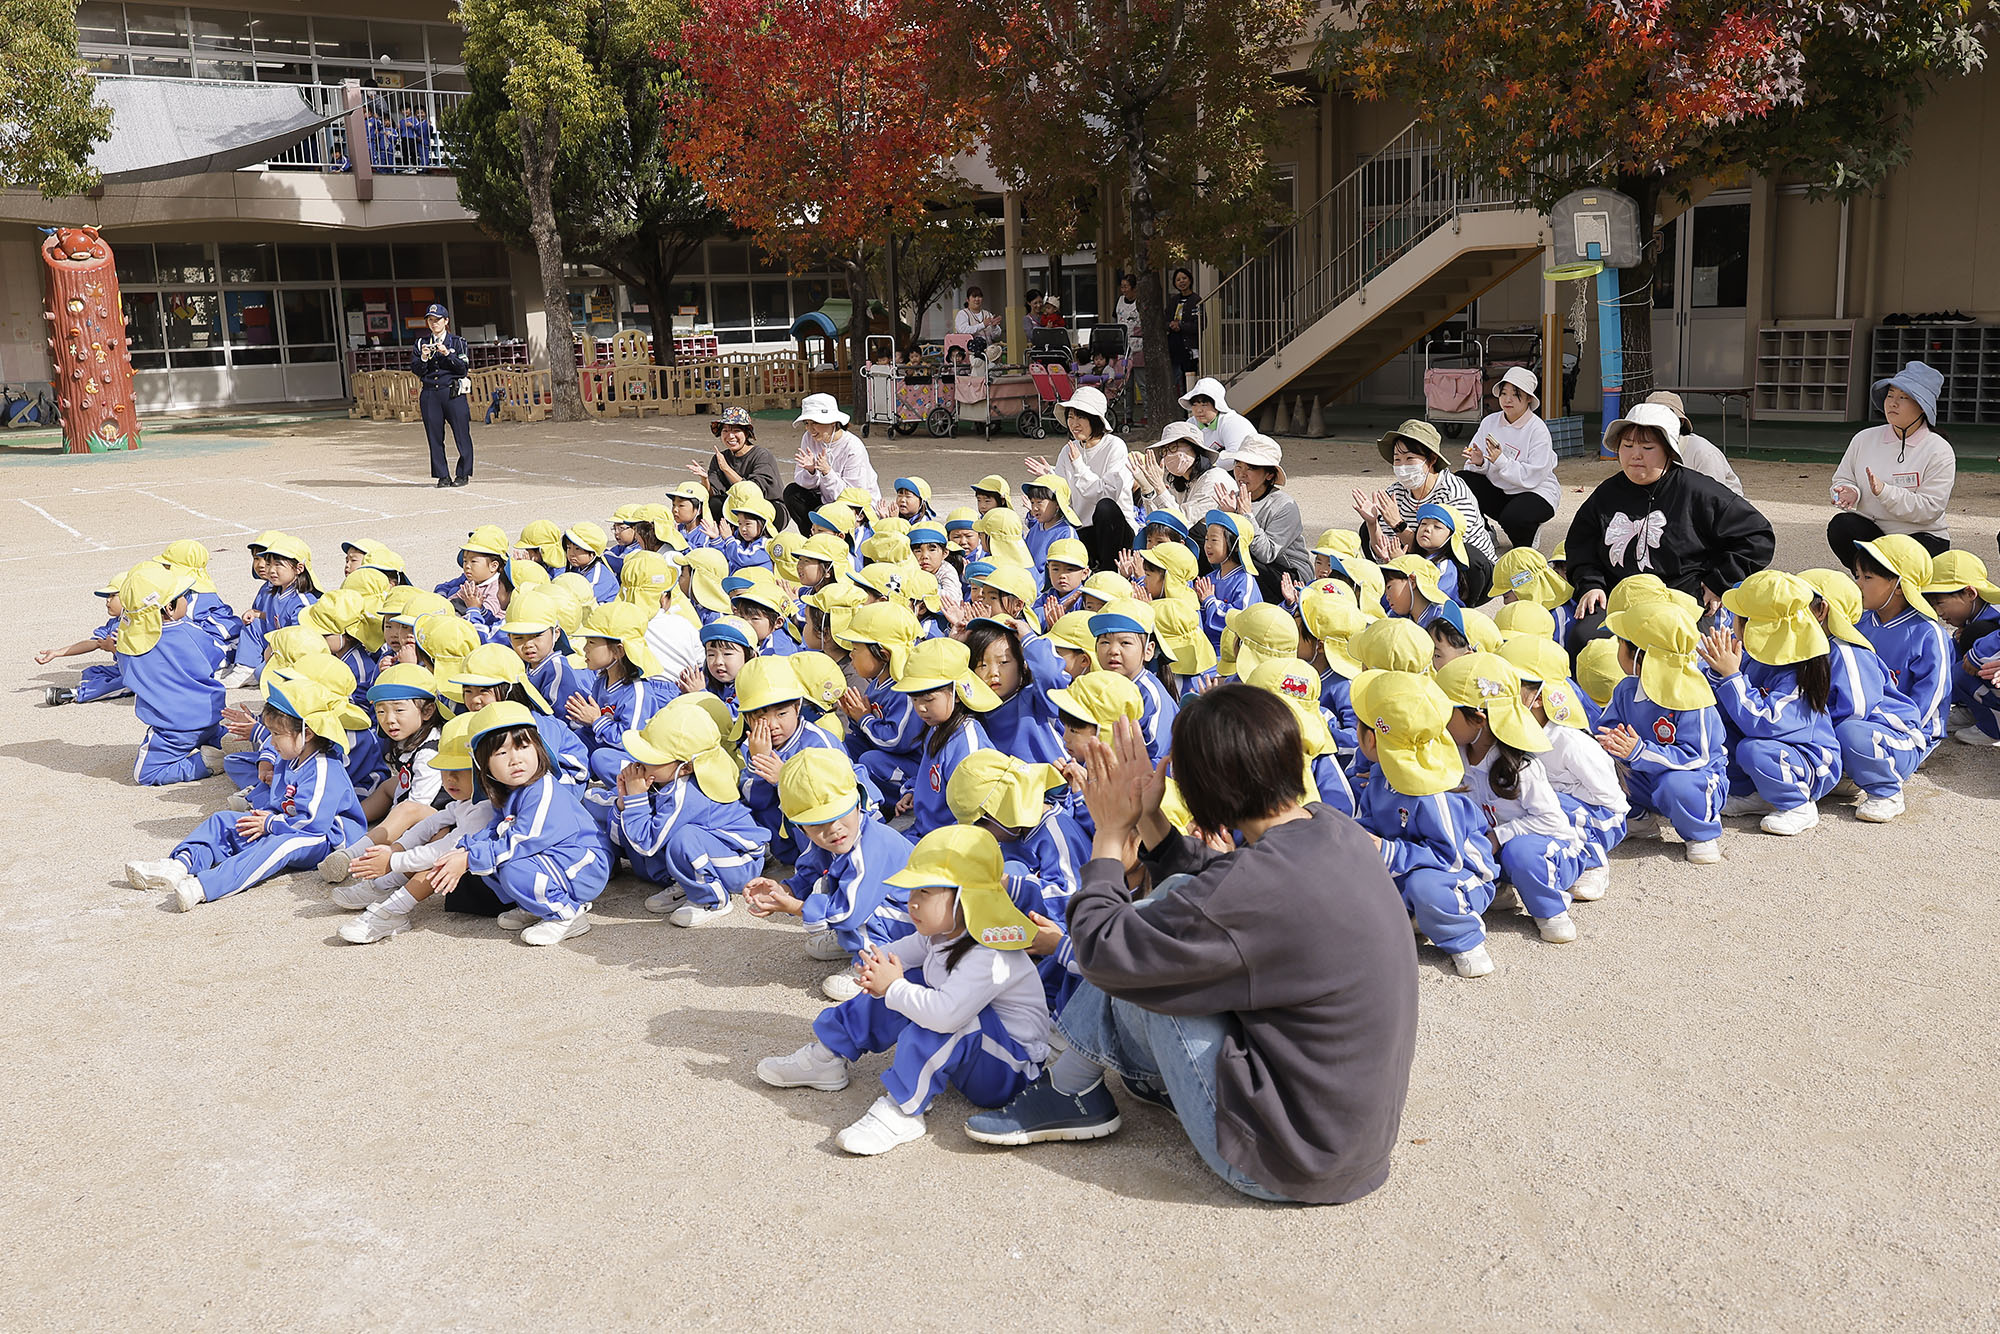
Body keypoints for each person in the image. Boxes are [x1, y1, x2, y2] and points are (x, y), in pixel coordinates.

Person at [963, 690, 1419, 1206]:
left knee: (1142, 940)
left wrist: (1111, 835)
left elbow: (1102, 947)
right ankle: (1084, 1079)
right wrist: (1151, 820)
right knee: (1170, 907)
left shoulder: (1252, 889)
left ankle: (1071, 1088)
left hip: (1284, 1160)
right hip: (1350, 1146)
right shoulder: (1332, 829)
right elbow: (1218, 888)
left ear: (1209, 793)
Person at [757, 825, 1052, 1157]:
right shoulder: (942, 932)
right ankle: (827, 1056)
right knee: (900, 976)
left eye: (924, 893)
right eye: (913, 892)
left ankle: (904, 1110)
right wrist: (873, 965)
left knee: (934, 1009)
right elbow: (903, 953)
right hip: (981, 1052)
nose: (911, 903)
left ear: (966, 896)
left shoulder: (989, 952)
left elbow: (945, 1015)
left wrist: (893, 986)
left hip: (1011, 1072)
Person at [125, 674, 367, 912]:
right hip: (286, 823)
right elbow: (281, 802)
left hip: (325, 839)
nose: (271, 742)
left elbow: (312, 823)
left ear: (308, 733)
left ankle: (204, 887)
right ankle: (179, 864)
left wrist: (270, 823)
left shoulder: (324, 767)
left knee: (280, 845)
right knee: (224, 820)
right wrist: (264, 818)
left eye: (276, 734)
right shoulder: (291, 757)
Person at [1564, 403, 1775, 647]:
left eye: (1647, 447)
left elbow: (1758, 536)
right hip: (1618, 597)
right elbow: (1581, 545)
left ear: (1669, 451)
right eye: (1628, 445)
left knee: (1674, 648)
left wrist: (1719, 582)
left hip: (1681, 597)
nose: (1635, 455)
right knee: (1586, 639)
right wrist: (1590, 584)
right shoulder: (1606, 494)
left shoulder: (1698, 491)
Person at [1595, 600, 1728, 865]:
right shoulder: (1626, 689)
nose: (1617, 650)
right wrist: (1608, 742)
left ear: (1640, 655)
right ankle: (1638, 820)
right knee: (1601, 766)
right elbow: (1606, 728)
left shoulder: (1693, 697)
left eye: (1620, 643)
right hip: (1643, 777)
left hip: (1694, 781)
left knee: (1676, 785)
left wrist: (1640, 752)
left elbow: (1697, 758)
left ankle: (1700, 833)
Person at [1829, 361, 1955, 562]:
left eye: (1903, 397)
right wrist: (1848, 491)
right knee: (1841, 526)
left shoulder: (1938, 449)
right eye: (1890, 395)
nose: (1893, 403)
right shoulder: (1864, 438)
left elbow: (1930, 509)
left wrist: (1884, 491)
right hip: (1874, 532)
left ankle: (1887, 584)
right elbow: (1842, 479)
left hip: (1921, 537)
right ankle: (1868, 581)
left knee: (1904, 560)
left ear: (1923, 407)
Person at [1355, 419, 1497, 570]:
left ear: (1432, 459)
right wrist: (1372, 524)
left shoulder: (1452, 493)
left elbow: (1445, 551)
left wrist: (1398, 525)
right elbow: (1384, 551)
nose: (1402, 466)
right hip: (1419, 561)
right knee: (1367, 529)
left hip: (1465, 569)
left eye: (1410, 458)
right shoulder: (1395, 493)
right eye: (1397, 459)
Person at [1025, 386, 1134, 569]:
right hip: (1083, 529)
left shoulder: (1115, 446)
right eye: (1070, 417)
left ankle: (1109, 572)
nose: (1074, 423)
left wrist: (1078, 465)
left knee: (1105, 508)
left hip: (1116, 531)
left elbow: (1106, 495)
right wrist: (1050, 479)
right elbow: (1063, 492)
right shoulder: (1069, 449)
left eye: (1081, 417)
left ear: (1095, 419)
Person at [1457, 366, 1558, 551]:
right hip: (1500, 489)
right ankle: (1484, 530)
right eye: (1504, 393)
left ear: (1529, 398)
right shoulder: (1490, 422)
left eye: (1515, 394)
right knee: (1461, 481)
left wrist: (1500, 461)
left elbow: (1534, 475)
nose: (1507, 399)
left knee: (1513, 521)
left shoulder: (1538, 429)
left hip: (1535, 492)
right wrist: (1479, 462)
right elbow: (1477, 463)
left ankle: (1530, 531)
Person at [1222, 433, 1313, 603]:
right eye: (1238, 466)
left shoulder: (1285, 506)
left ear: (1269, 475)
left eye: (1251, 468)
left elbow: (1267, 554)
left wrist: (1245, 516)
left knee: (1246, 567)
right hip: (1249, 562)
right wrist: (1225, 517)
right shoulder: (1232, 498)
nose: (1242, 474)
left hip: (1287, 572)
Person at [784, 394, 879, 534]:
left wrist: (827, 472)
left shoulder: (853, 447)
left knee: (821, 514)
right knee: (792, 492)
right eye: (806, 423)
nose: (810, 429)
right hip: (826, 499)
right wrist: (811, 471)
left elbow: (853, 496)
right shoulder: (808, 438)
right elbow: (804, 483)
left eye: (815, 423)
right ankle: (812, 541)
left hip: (855, 509)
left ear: (833, 422)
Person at [688, 405, 784, 524]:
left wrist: (726, 469)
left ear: (747, 433)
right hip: (737, 508)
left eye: (736, 431)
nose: (730, 436)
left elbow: (752, 493)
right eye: (726, 431)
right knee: (713, 503)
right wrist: (705, 479)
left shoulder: (761, 456)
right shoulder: (720, 458)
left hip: (768, 506)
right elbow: (713, 493)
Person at [411, 303, 473, 488]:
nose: (434, 324)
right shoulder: (421, 343)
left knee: (462, 434)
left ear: (446, 321)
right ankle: (442, 475)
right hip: (430, 394)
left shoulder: (458, 342)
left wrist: (448, 355)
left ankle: (463, 474)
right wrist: (423, 358)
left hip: (452, 392)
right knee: (435, 436)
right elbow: (416, 370)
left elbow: (463, 369)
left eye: (437, 320)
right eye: (430, 320)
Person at [1643, 391, 1743, 495]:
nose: (1656, 426)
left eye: (1664, 420)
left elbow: (1712, 498)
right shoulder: (1640, 452)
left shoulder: (1702, 453)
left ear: (1680, 422)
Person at [1165, 267, 1200, 388]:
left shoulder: (1196, 300)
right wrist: (1171, 325)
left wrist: (1181, 326)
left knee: (1189, 381)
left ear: (1190, 280)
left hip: (1189, 347)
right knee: (1174, 380)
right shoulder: (1174, 300)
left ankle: (1189, 406)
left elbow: (1199, 324)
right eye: (1178, 279)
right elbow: (1164, 320)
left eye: (1184, 278)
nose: (1182, 281)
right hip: (1174, 347)